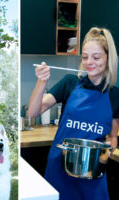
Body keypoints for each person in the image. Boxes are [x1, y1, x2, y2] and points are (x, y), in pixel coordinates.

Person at [29, 27, 119, 200]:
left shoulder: (115, 95)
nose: (89, 62)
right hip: (60, 168)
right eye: (85, 57)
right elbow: (33, 112)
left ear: (109, 58)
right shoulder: (69, 83)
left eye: (96, 57)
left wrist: (106, 150)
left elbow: (113, 136)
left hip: (93, 173)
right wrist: (42, 82)